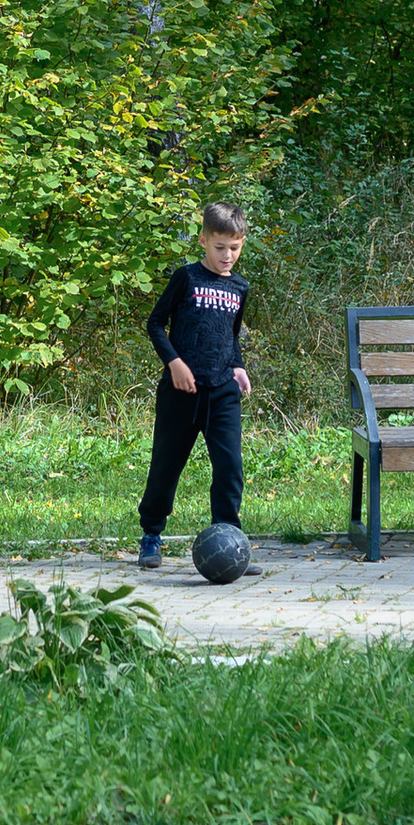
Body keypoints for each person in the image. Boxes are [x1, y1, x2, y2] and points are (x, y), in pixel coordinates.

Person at [136, 203, 252, 568]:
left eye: (234, 248)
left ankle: (229, 541)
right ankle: (151, 535)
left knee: (230, 467)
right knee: (166, 467)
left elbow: (230, 335)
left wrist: (237, 365)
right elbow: (155, 324)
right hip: (181, 394)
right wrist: (174, 363)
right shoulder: (186, 278)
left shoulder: (239, 287)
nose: (227, 256)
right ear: (203, 240)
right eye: (219, 248)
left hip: (222, 392)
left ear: (242, 244)